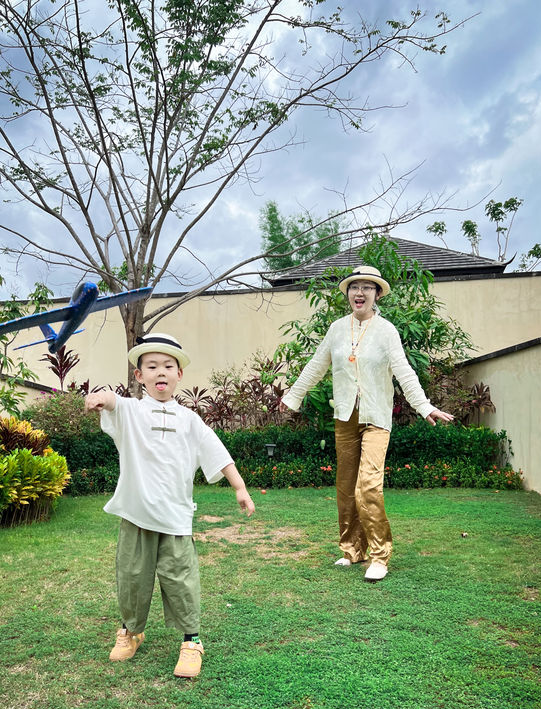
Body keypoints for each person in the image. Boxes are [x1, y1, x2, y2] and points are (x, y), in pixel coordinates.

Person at [85, 332, 255, 677]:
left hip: (176, 516)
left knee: (180, 579)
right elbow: (112, 402)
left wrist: (240, 487)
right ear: (139, 375)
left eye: (167, 366)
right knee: (132, 575)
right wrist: (98, 397)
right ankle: (131, 632)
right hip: (136, 514)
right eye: (151, 366)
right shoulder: (131, 411)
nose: (160, 372)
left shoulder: (190, 420)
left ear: (179, 374)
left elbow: (217, 452)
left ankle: (192, 641)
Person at [279, 265, 453, 582]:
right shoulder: (336, 330)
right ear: (348, 294)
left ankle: (379, 556)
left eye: (367, 288)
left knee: (369, 486)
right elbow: (315, 367)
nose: (360, 292)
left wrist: (425, 406)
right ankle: (352, 550)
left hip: (376, 419)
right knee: (346, 490)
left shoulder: (386, 331)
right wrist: (293, 397)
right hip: (345, 417)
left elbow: (404, 373)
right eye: (354, 287)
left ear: (376, 295)